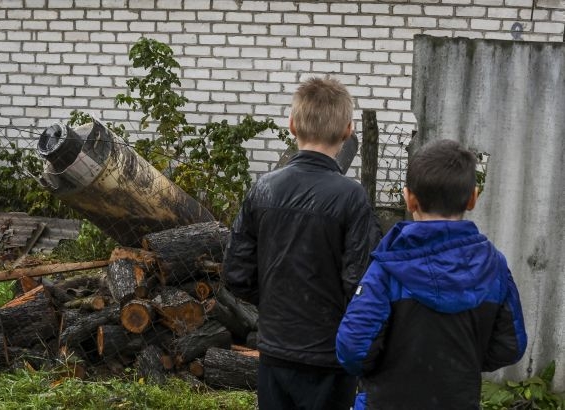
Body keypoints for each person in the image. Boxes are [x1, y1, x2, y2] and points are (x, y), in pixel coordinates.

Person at [222, 76, 381, 410]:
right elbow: (360, 283)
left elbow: (236, 274)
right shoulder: (352, 197)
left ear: (292, 125)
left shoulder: (263, 189)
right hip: (331, 354)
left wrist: (277, 298)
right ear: (348, 130)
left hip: (276, 349)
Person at [336, 139, 527, 410]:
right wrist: (460, 362)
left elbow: (353, 349)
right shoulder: (494, 268)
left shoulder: (387, 269)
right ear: (473, 197)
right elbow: (510, 345)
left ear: (409, 198)